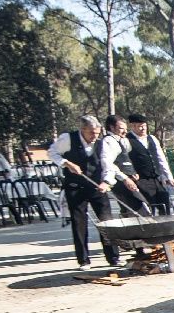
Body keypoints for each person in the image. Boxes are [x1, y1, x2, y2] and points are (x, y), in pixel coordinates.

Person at [48, 115, 122, 269]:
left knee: (106, 220)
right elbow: (52, 153)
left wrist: (106, 182)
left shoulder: (101, 144)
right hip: (75, 186)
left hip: (97, 186)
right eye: (91, 133)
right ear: (83, 130)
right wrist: (66, 163)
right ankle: (84, 260)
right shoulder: (68, 139)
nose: (94, 137)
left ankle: (113, 257)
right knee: (79, 223)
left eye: (97, 133)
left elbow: (108, 165)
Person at [124, 114, 174, 214]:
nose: (143, 128)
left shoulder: (152, 138)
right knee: (149, 207)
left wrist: (168, 176)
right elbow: (125, 160)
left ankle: (167, 225)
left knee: (165, 203)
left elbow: (161, 159)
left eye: (144, 125)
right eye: (140, 126)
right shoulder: (127, 140)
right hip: (141, 180)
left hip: (156, 178)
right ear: (133, 126)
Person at [103, 114, 150, 215]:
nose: (125, 131)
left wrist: (133, 172)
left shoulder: (122, 140)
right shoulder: (108, 141)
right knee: (137, 211)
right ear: (111, 127)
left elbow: (126, 160)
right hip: (121, 183)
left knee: (139, 208)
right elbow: (109, 164)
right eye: (121, 128)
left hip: (130, 181)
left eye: (125, 128)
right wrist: (125, 178)